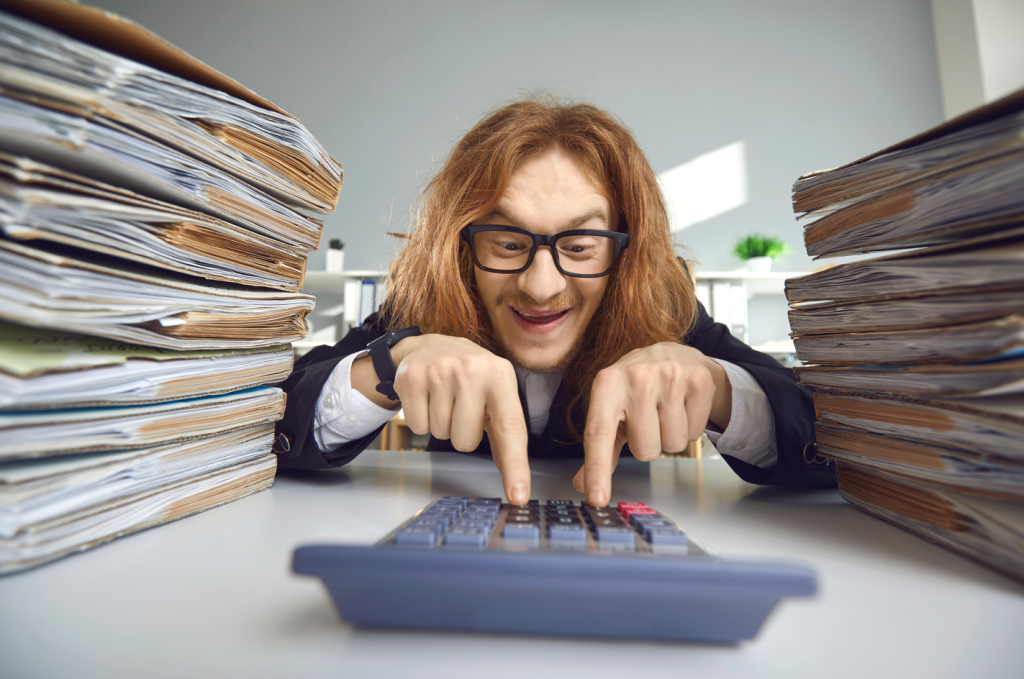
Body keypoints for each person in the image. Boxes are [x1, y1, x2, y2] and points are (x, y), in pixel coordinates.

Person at [273, 97, 835, 507]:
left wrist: (716, 387)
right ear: (462, 246)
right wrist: (389, 365)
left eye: (581, 245)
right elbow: (273, 416)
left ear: (627, 249)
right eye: (509, 243)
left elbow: (831, 440)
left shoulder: (666, 309)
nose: (541, 286)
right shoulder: (424, 310)